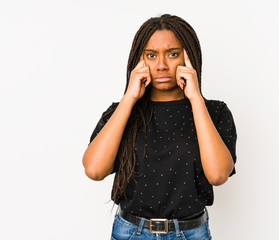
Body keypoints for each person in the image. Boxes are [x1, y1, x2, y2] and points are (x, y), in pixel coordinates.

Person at [82, 14, 237, 240]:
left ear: (189, 57)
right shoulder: (122, 111)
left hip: (190, 233)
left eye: (173, 54)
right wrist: (129, 98)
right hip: (130, 233)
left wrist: (195, 99)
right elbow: (94, 170)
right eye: (151, 56)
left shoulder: (214, 112)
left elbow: (218, 175)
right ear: (139, 60)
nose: (162, 65)